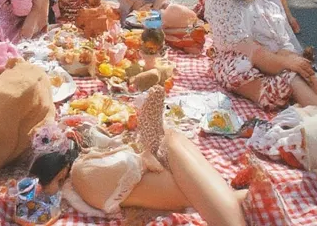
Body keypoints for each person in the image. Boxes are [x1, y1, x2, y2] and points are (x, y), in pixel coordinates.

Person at [28, 86, 246, 226]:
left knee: (173, 140)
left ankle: (158, 140)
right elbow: (125, 165)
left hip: (170, 188)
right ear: (60, 172)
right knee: (173, 141)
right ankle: (158, 141)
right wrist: (143, 157)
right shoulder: (81, 175)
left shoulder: (79, 180)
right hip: (173, 188)